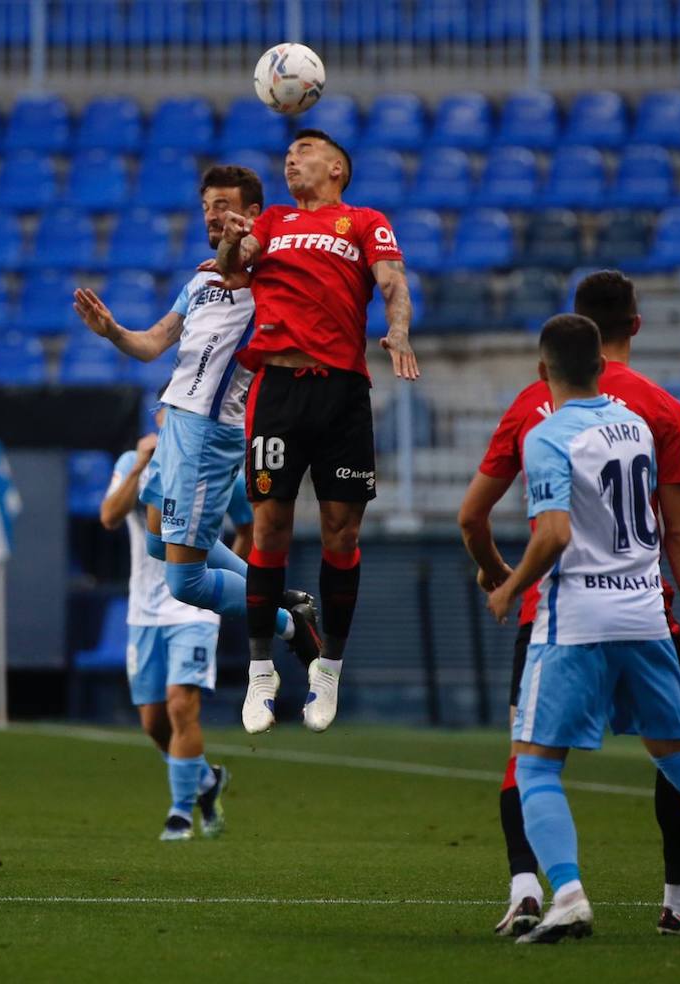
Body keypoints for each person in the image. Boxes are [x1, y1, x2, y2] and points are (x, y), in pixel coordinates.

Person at [485, 314, 680, 945]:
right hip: (645, 614)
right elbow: (676, 527)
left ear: (544, 373)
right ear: (600, 367)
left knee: (534, 767)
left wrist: (509, 585)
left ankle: (566, 894)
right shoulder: (638, 425)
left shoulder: (547, 433)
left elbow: (556, 533)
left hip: (576, 621)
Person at [72, 165, 320, 723]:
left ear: (253, 215)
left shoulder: (271, 281)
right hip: (173, 427)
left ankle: (286, 624)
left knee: (185, 581)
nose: (212, 213)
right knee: (164, 548)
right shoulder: (200, 281)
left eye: (224, 203)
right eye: (207, 204)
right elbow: (152, 343)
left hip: (210, 436)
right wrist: (112, 330)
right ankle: (278, 596)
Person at [210, 128, 420, 734]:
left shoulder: (362, 221)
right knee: (269, 524)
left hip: (341, 391)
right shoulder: (271, 221)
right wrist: (230, 244)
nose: (291, 159)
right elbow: (233, 269)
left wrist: (399, 327)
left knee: (341, 530)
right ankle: (259, 673)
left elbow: (393, 282)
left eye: (304, 151)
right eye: (287, 153)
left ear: (336, 168)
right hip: (276, 391)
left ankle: (327, 667)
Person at [101, 409, 235, 841]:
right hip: (145, 610)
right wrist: (141, 464)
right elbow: (109, 516)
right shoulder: (131, 463)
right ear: (161, 417)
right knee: (154, 723)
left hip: (192, 603)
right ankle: (205, 781)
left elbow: (244, 521)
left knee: (181, 705)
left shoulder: (209, 461)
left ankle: (180, 814)